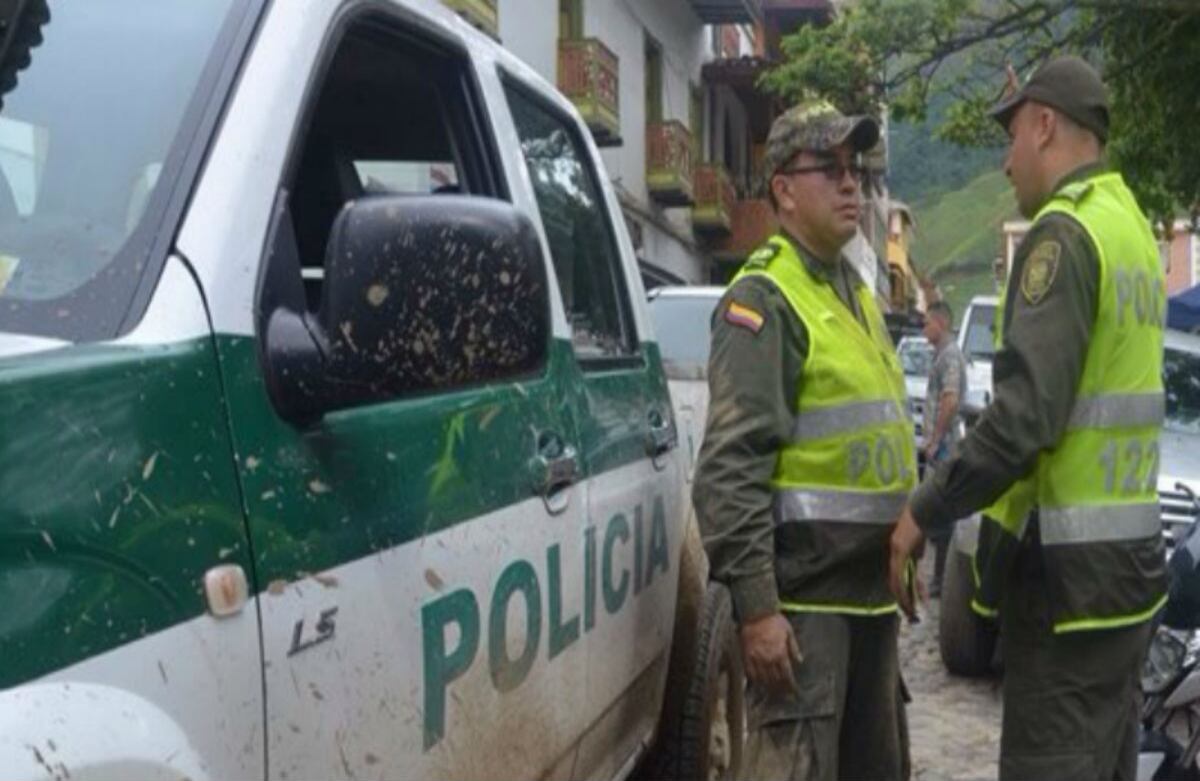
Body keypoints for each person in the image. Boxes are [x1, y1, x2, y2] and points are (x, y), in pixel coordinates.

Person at [888, 55, 1167, 781]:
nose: (1006, 160)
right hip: (1125, 583)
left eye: (1011, 136)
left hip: (1066, 589)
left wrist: (926, 506)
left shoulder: (1063, 235)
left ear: (1045, 126)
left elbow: (1021, 419)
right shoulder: (1132, 227)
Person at [694, 100, 914, 781]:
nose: (852, 184)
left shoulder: (853, 290)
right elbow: (729, 471)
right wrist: (758, 610)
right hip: (807, 618)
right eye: (830, 168)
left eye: (857, 170)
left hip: (870, 605)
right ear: (784, 190)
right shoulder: (765, 299)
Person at [920, 300, 966, 597]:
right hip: (941, 447)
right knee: (938, 515)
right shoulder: (941, 356)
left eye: (927, 323)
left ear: (942, 323)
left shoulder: (950, 357)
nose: (925, 328)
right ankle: (938, 577)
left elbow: (949, 400)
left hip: (946, 448)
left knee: (939, 512)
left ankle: (942, 579)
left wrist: (935, 440)